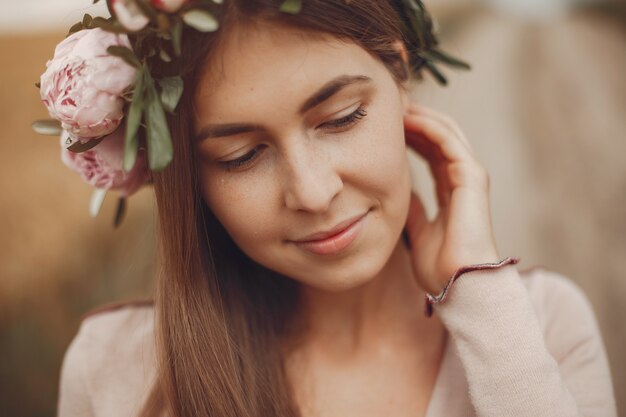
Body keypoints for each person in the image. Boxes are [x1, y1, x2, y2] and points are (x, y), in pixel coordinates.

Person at [43, 1, 617, 416]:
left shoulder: (542, 326)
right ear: (188, 177)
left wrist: (480, 297)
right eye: (240, 156)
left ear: (401, 76)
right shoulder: (112, 371)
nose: (314, 194)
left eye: (341, 118)